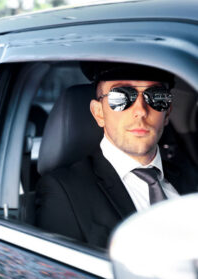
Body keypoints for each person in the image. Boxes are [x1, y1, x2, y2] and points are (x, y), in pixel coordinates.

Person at [35, 63, 197, 249]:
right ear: (99, 113)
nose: (141, 111)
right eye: (121, 97)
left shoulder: (190, 177)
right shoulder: (64, 192)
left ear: (167, 112)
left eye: (155, 97)